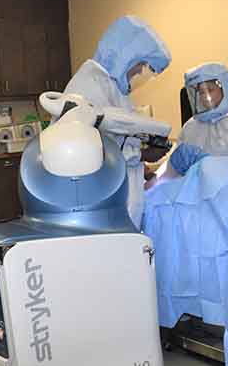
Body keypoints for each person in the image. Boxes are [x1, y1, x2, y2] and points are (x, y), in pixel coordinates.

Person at [64, 15, 171, 229]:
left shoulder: (113, 86)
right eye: (141, 64)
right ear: (126, 55)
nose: (141, 71)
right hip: (99, 203)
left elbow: (120, 137)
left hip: (120, 199)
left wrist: (145, 168)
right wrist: (142, 155)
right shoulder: (87, 87)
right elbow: (91, 154)